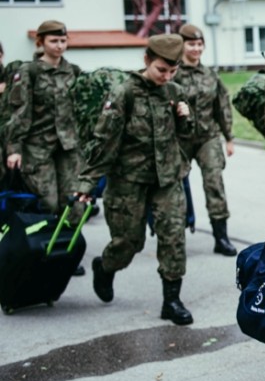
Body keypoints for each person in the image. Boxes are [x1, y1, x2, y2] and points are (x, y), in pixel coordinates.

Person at [75, 34, 194, 326]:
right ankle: (105, 266)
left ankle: (172, 301)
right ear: (146, 61)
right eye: (161, 70)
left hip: (167, 179)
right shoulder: (124, 93)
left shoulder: (174, 91)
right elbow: (104, 141)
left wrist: (184, 117)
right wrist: (87, 184)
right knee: (128, 242)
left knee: (173, 238)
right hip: (128, 180)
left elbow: (187, 135)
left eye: (172, 71)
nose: (166, 77)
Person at [3, 21, 86, 275]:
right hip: (38, 145)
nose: (59, 46)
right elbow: (18, 112)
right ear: (41, 42)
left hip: (68, 145)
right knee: (48, 202)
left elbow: (82, 109)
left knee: (73, 202)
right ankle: (44, 249)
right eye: (53, 41)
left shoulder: (74, 71)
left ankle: (68, 253)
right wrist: (13, 148)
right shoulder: (29, 72)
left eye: (63, 41)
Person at [175, 23, 237, 256]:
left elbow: (222, 106)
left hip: (208, 137)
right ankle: (175, 235)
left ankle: (221, 236)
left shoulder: (210, 75)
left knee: (214, 183)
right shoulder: (173, 73)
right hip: (179, 138)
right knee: (175, 186)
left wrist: (229, 137)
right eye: (191, 44)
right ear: (181, 45)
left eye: (200, 44)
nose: (196, 48)